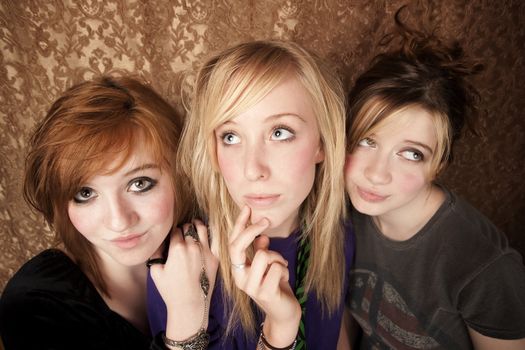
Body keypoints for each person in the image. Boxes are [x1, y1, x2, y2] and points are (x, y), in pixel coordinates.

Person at [147, 40, 355, 349]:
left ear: (322, 144)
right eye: (230, 137)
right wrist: (280, 327)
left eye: (280, 133)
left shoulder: (339, 235)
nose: (252, 169)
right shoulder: (184, 267)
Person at [344, 16, 525, 349]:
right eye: (367, 141)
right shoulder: (346, 210)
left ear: (438, 165)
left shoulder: (484, 266)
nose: (376, 173)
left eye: (411, 154)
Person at [0, 76, 218, 350]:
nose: (118, 221)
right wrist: (186, 323)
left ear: (180, 176)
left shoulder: (218, 253)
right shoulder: (34, 307)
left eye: (139, 184)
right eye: (85, 194)